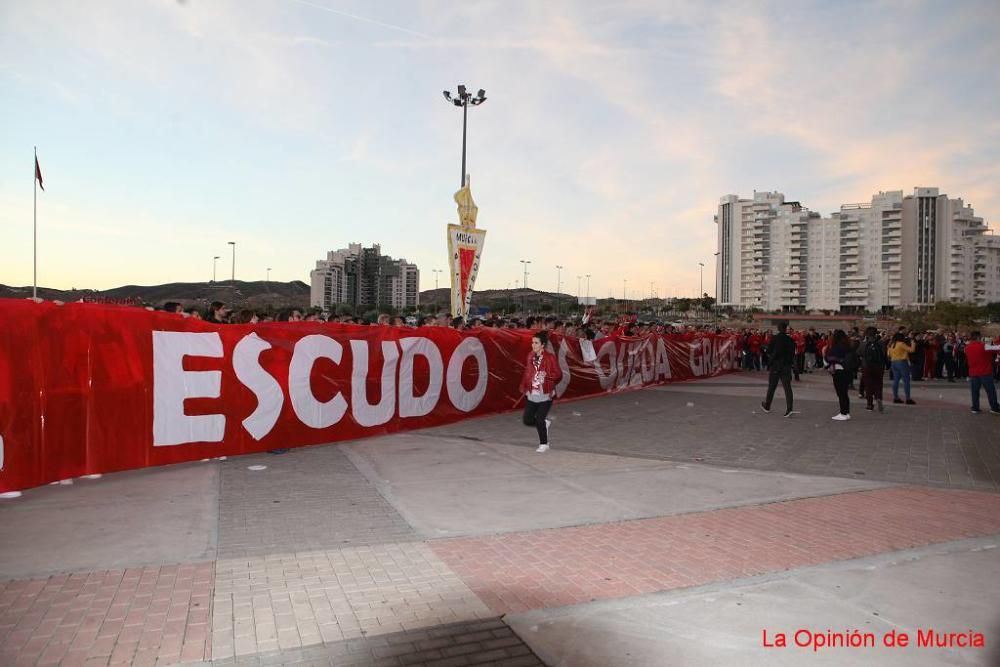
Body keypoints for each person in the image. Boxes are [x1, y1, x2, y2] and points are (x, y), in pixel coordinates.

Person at [518, 330, 562, 452]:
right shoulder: (530, 356)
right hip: (532, 393)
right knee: (527, 420)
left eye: (536, 343)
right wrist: (525, 387)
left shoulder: (550, 357)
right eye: (532, 342)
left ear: (542, 345)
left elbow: (558, 374)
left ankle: (544, 443)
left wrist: (546, 375)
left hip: (545, 394)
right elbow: (527, 372)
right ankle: (543, 424)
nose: (533, 345)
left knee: (539, 419)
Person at [760, 321, 797, 417]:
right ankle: (789, 408)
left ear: (778, 329)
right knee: (787, 388)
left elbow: (769, 351)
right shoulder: (791, 340)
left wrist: (771, 359)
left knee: (772, 386)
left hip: (776, 365)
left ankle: (767, 406)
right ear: (786, 329)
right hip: (787, 366)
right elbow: (793, 354)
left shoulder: (775, 338)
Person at [964, 331, 1000, 414]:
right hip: (985, 372)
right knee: (991, 391)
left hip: (973, 372)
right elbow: (997, 348)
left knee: (975, 391)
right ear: (978, 337)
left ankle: (975, 408)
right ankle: (994, 408)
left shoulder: (967, 347)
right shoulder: (984, 346)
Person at [825, 330, 852, 421]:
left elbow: (829, 358)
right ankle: (846, 412)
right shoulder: (847, 346)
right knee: (844, 393)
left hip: (839, 371)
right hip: (847, 371)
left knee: (840, 393)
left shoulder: (836, 347)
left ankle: (843, 413)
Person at [859, 327, 886, 413]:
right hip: (879, 367)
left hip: (866, 367)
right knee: (878, 384)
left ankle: (869, 404)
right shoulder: (881, 343)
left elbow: (859, 353)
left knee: (868, 386)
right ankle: (878, 397)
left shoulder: (864, 343)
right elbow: (884, 355)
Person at [887, 332, 916, 405]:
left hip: (893, 362)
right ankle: (908, 398)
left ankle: (896, 397)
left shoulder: (892, 344)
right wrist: (913, 343)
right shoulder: (901, 344)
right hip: (902, 362)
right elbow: (911, 350)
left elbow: (888, 354)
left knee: (896, 380)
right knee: (906, 381)